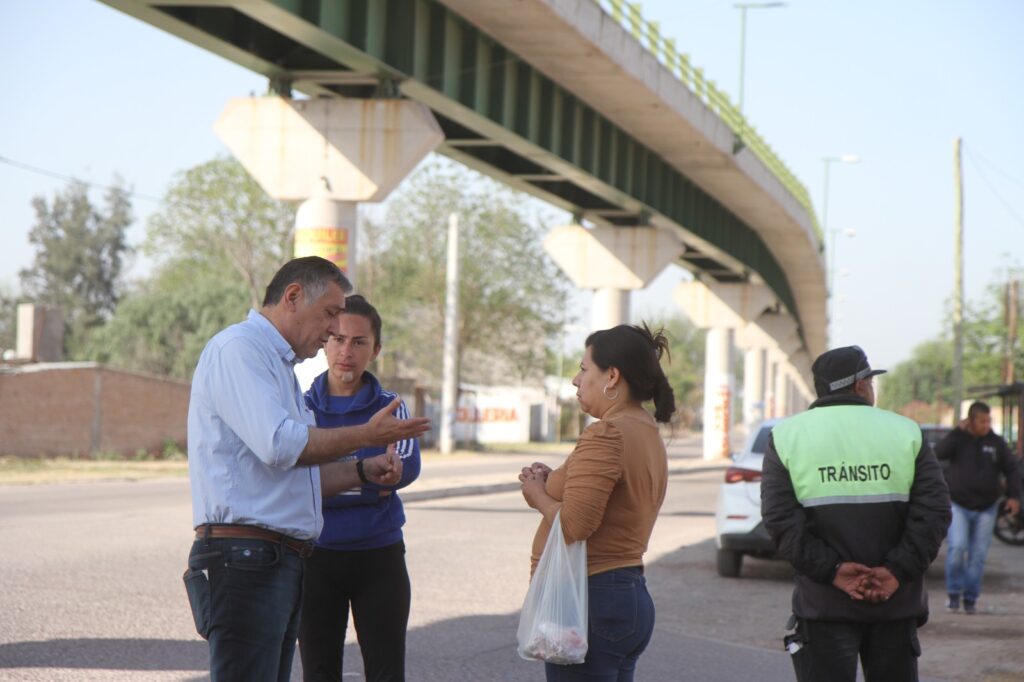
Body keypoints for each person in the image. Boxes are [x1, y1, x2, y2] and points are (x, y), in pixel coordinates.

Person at [184, 256, 431, 682]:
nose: (334, 332)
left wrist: (362, 471)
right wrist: (366, 435)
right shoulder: (239, 349)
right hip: (247, 560)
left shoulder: (281, 369)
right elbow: (282, 445)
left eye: (352, 334)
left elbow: (303, 474)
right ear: (294, 297)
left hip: (277, 559)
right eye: (330, 315)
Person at [760, 345, 951, 682]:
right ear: (861, 385)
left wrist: (832, 571)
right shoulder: (905, 432)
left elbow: (780, 520)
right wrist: (895, 571)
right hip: (895, 602)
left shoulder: (787, 436)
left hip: (824, 604)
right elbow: (933, 513)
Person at [519, 323, 675, 682]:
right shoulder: (644, 428)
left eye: (584, 368)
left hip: (591, 599)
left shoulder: (607, 433)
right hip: (623, 597)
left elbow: (575, 525)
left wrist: (537, 495)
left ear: (612, 376)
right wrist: (552, 481)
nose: (576, 379)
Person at [298, 295, 421, 681]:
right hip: (314, 557)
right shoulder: (301, 408)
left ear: (376, 350)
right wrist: (365, 478)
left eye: (358, 342)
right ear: (324, 343)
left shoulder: (391, 408)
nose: (345, 351)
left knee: (386, 673)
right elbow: (298, 484)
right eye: (336, 339)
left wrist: (330, 480)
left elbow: (399, 473)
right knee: (318, 672)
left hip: (379, 558)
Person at [935, 401, 1021, 615]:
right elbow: (938, 452)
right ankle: (954, 593)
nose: (986, 424)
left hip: (987, 507)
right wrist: (956, 431)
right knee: (957, 548)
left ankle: (970, 598)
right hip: (958, 505)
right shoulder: (959, 440)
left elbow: (1011, 469)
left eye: (988, 420)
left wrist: (1013, 497)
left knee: (978, 555)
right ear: (971, 421)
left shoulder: (996, 443)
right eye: (982, 421)